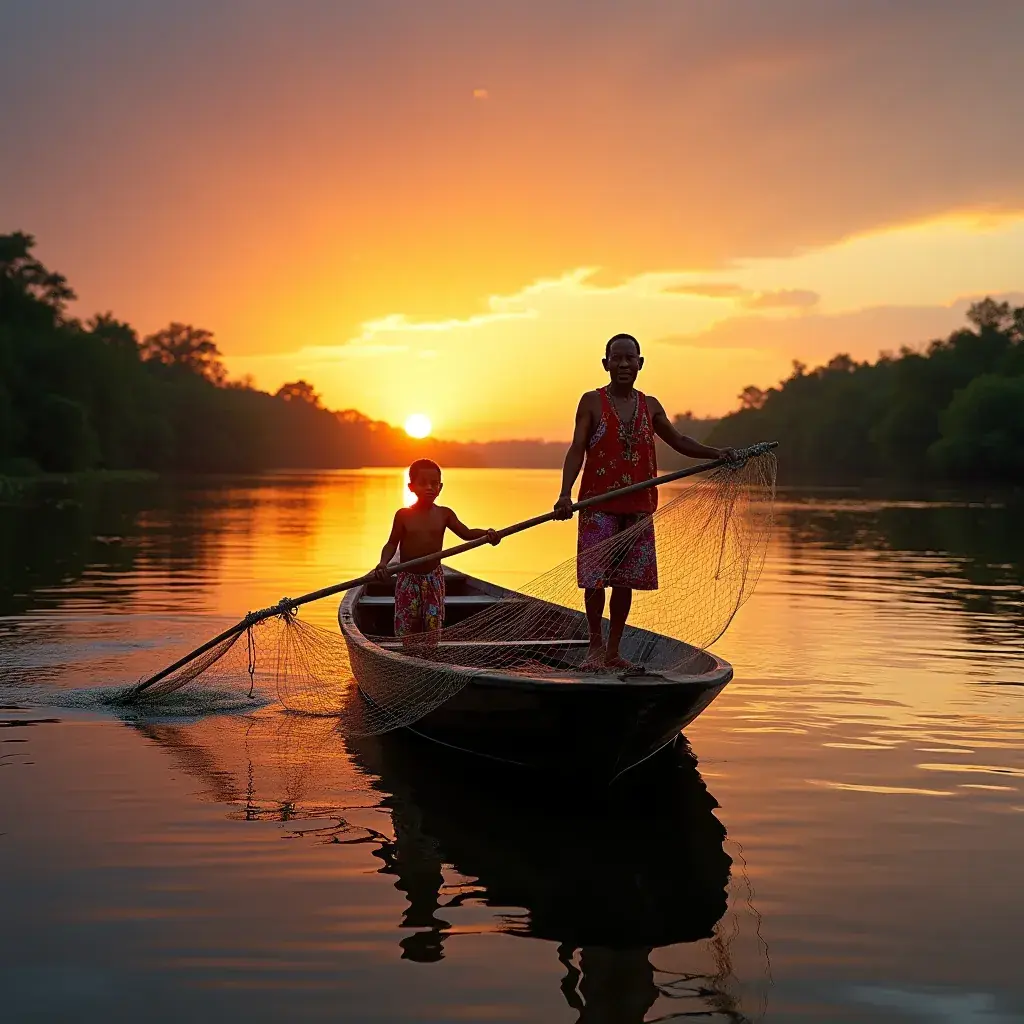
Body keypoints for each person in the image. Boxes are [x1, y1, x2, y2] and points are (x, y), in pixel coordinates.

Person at [554, 333, 736, 670]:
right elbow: (577, 448)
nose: (623, 364)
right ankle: (594, 649)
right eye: (617, 358)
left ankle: (613, 652)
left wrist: (717, 454)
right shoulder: (591, 402)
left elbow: (679, 441)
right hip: (598, 505)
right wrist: (565, 493)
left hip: (638, 508)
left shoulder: (650, 406)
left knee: (624, 581)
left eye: (630, 358)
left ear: (640, 363)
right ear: (606, 364)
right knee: (595, 580)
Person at [373, 459, 500, 639]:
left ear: (440, 487)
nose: (429, 488)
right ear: (411, 487)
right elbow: (392, 544)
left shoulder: (444, 514)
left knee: (432, 628)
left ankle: (430, 653)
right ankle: (408, 654)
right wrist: (383, 563)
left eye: (434, 484)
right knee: (408, 628)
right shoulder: (403, 515)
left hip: (434, 579)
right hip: (408, 580)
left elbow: (467, 533)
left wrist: (487, 535)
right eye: (423, 483)